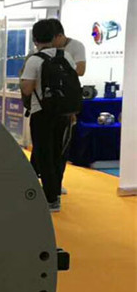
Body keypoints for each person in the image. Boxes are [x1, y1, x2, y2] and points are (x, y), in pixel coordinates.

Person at [20, 20, 77, 212]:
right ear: (54, 37)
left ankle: (50, 198)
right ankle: (56, 193)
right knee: (58, 154)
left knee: (44, 154)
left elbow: (27, 89)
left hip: (41, 113)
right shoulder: (66, 56)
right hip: (64, 113)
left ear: (35, 39)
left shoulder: (34, 60)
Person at [48, 18, 86, 194]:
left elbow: (81, 70)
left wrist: (59, 73)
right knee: (45, 146)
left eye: (52, 38)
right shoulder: (44, 50)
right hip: (47, 104)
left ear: (59, 36)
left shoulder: (75, 47)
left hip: (66, 103)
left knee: (61, 147)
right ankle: (45, 181)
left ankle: (56, 183)